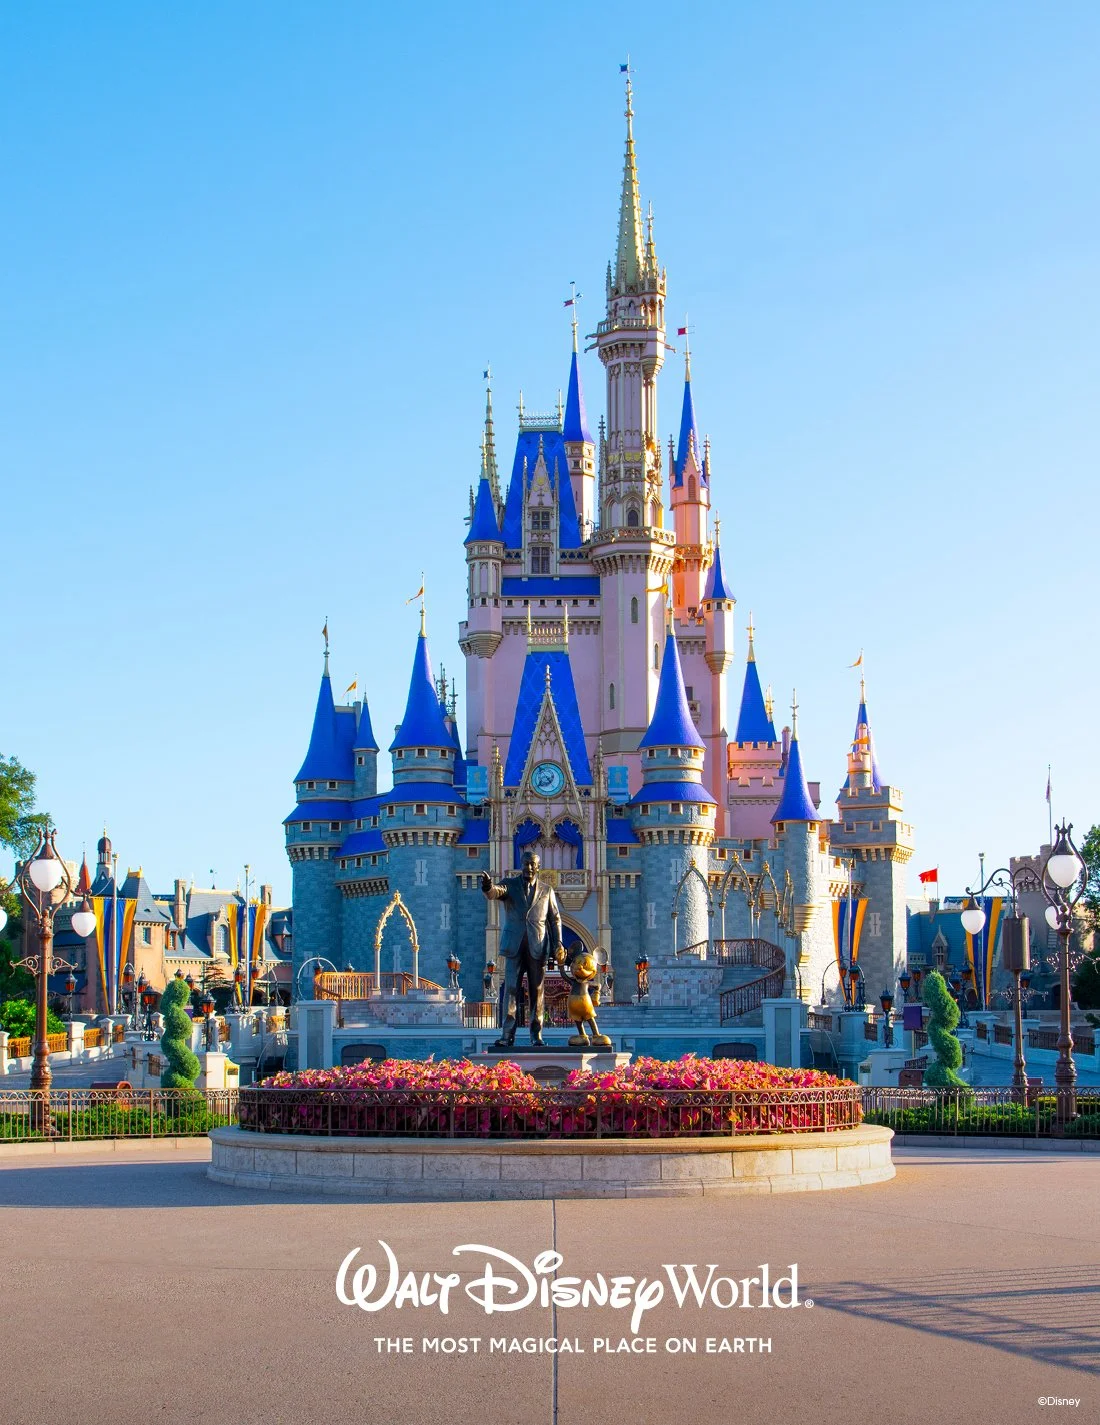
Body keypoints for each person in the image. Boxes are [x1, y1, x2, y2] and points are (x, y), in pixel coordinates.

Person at [480, 851, 563, 1048]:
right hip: (514, 947)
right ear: (521, 864)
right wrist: (487, 886)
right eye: (526, 864)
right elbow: (495, 892)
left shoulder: (547, 890)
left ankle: (536, 1035)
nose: (529, 868)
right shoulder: (510, 884)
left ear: (538, 867)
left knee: (537, 992)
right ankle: (507, 1035)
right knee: (510, 990)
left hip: (538, 946)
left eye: (533, 864)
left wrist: (558, 942)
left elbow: (555, 918)